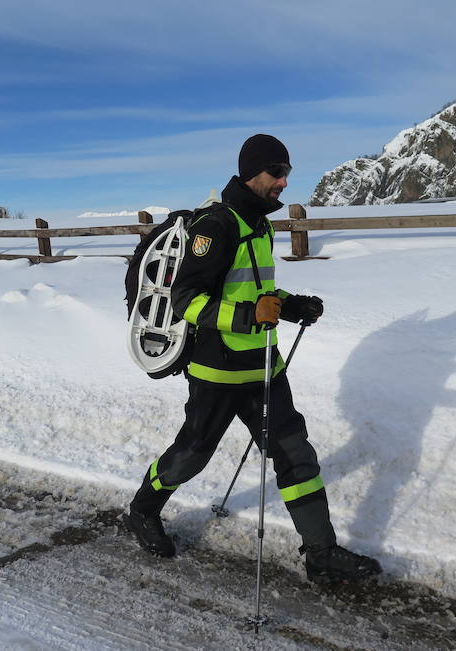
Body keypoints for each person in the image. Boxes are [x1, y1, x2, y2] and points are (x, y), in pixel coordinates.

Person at [123, 134, 382, 583]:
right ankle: (142, 510)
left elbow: (256, 289)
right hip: (217, 372)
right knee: (192, 455)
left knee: (296, 454)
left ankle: (321, 553)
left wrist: (290, 304)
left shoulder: (260, 225)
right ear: (251, 173)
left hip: (264, 368)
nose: (284, 182)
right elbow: (187, 300)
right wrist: (248, 316)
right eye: (276, 172)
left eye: (287, 173)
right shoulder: (215, 227)